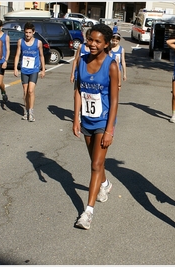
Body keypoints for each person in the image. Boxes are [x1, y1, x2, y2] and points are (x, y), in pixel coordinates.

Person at [73, 24, 119, 230]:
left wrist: (109, 130)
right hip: (87, 119)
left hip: (103, 121)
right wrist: (76, 118)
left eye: (97, 41)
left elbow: (115, 101)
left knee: (94, 165)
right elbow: (78, 90)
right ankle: (105, 184)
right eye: (90, 39)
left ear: (106, 44)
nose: (92, 44)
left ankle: (88, 212)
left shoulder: (111, 66)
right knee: (95, 161)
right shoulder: (81, 61)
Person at [14, 22, 45, 122]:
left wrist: (43, 69)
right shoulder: (20, 42)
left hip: (34, 69)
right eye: (26, 32)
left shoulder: (38, 43)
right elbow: (17, 55)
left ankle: (31, 112)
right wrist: (15, 68)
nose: (27, 34)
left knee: (31, 91)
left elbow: (41, 56)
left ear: (33, 32)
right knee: (25, 91)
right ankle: (26, 110)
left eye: (29, 32)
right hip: (24, 69)